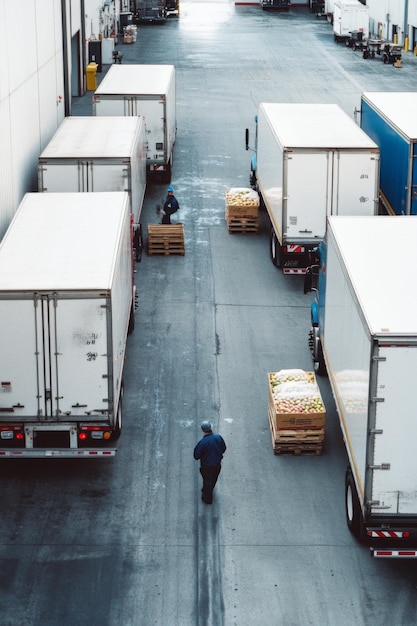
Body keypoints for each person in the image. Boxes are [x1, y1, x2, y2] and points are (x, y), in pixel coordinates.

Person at [194, 421, 226, 504]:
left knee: (207, 480)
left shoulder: (202, 443)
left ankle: (208, 498)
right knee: (214, 478)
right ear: (211, 428)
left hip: (207, 466)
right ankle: (209, 489)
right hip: (217, 464)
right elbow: (224, 448)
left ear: (203, 430)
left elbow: (196, 456)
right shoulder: (218, 437)